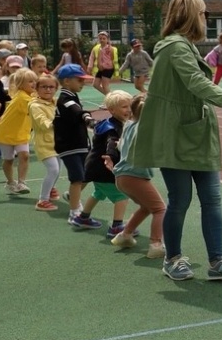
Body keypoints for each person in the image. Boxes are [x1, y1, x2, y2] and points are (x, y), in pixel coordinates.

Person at [124, 0, 222, 282]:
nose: (206, 18)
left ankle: (218, 260)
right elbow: (195, 81)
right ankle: (173, 258)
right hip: (177, 135)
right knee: (180, 200)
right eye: (204, 13)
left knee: (212, 198)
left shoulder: (184, 46)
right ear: (193, 15)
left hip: (195, 132)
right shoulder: (174, 47)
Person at [113, 94, 166, 259]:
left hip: (121, 177)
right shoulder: (143, 129)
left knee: (146, 207)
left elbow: (121, 145)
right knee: (160, 209)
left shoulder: (128, 125)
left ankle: (125, 235)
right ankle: (156, 244)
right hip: (134, 176)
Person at [81, 91, 132, 243]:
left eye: (130, 106)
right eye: (124, 107)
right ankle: (116, 227)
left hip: (93, 166)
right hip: (104, 167)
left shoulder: (104, 123)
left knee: (98, 192)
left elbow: (92, 124)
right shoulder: (113, 128)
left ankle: (83, 217)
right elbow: (112, 142)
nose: (128, 109)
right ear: (112, 110)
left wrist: (86, 117)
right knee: (121, 196)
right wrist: (110, 156)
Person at [55, 64, 98, 228]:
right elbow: (76, 111)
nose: (83, 83)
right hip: (69, 145)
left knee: (87, 173)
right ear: (66, 81)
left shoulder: (72, 95)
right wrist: (88, 118)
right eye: (79, 80)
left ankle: (72, 195)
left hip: (79, 143)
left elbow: (78, 109)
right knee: (77, 177)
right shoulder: (65, 99)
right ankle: (74, 213)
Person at [0, 67, 36, 196]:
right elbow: (36, 108)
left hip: (21, 133)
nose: (34, 83)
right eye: (30, 81)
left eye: (35, 81)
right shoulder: (23, 98)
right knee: (9, 160)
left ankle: (22, 182)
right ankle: (10, 182)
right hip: (6, 133)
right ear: (20, 84)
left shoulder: (30, 96)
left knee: (24, 155)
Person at [28, 75, 61, 210]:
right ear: (37, 88)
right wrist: (58, 123)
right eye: (44, 87)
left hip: (58, 142)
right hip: (44, 143)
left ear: (56, 89)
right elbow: (42, 122)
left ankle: (51, 188)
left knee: (58, 171)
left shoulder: (56, 102)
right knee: (53, 169)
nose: (48, 90)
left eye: (51, 87)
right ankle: (42, 200)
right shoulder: (35, 105)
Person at [89, 32, 119, 97]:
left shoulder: (110, 49)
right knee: (95, 84)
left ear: (107, 40)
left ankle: (110, 100)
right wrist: (97, 66)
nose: (102, 40)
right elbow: (96, 58)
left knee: (105, 85)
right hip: (101, 68)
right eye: (100, 38)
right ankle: (111, 97)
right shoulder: (98, 48)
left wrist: (115, 72)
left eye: (104, 38)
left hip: (108, 69)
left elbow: (112, 59)